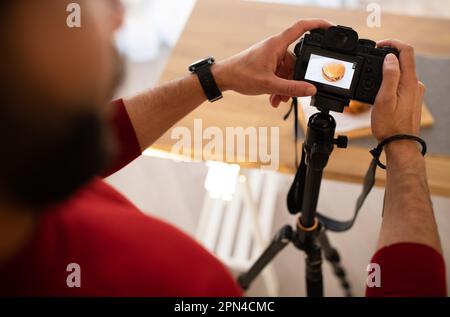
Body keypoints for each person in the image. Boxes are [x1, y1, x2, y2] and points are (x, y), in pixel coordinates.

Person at [0, 0, 446, 297]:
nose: (117, 13)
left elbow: (106, 132)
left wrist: (217, 77)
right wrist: (403, 147)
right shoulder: (171, 283)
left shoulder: (28, 170)